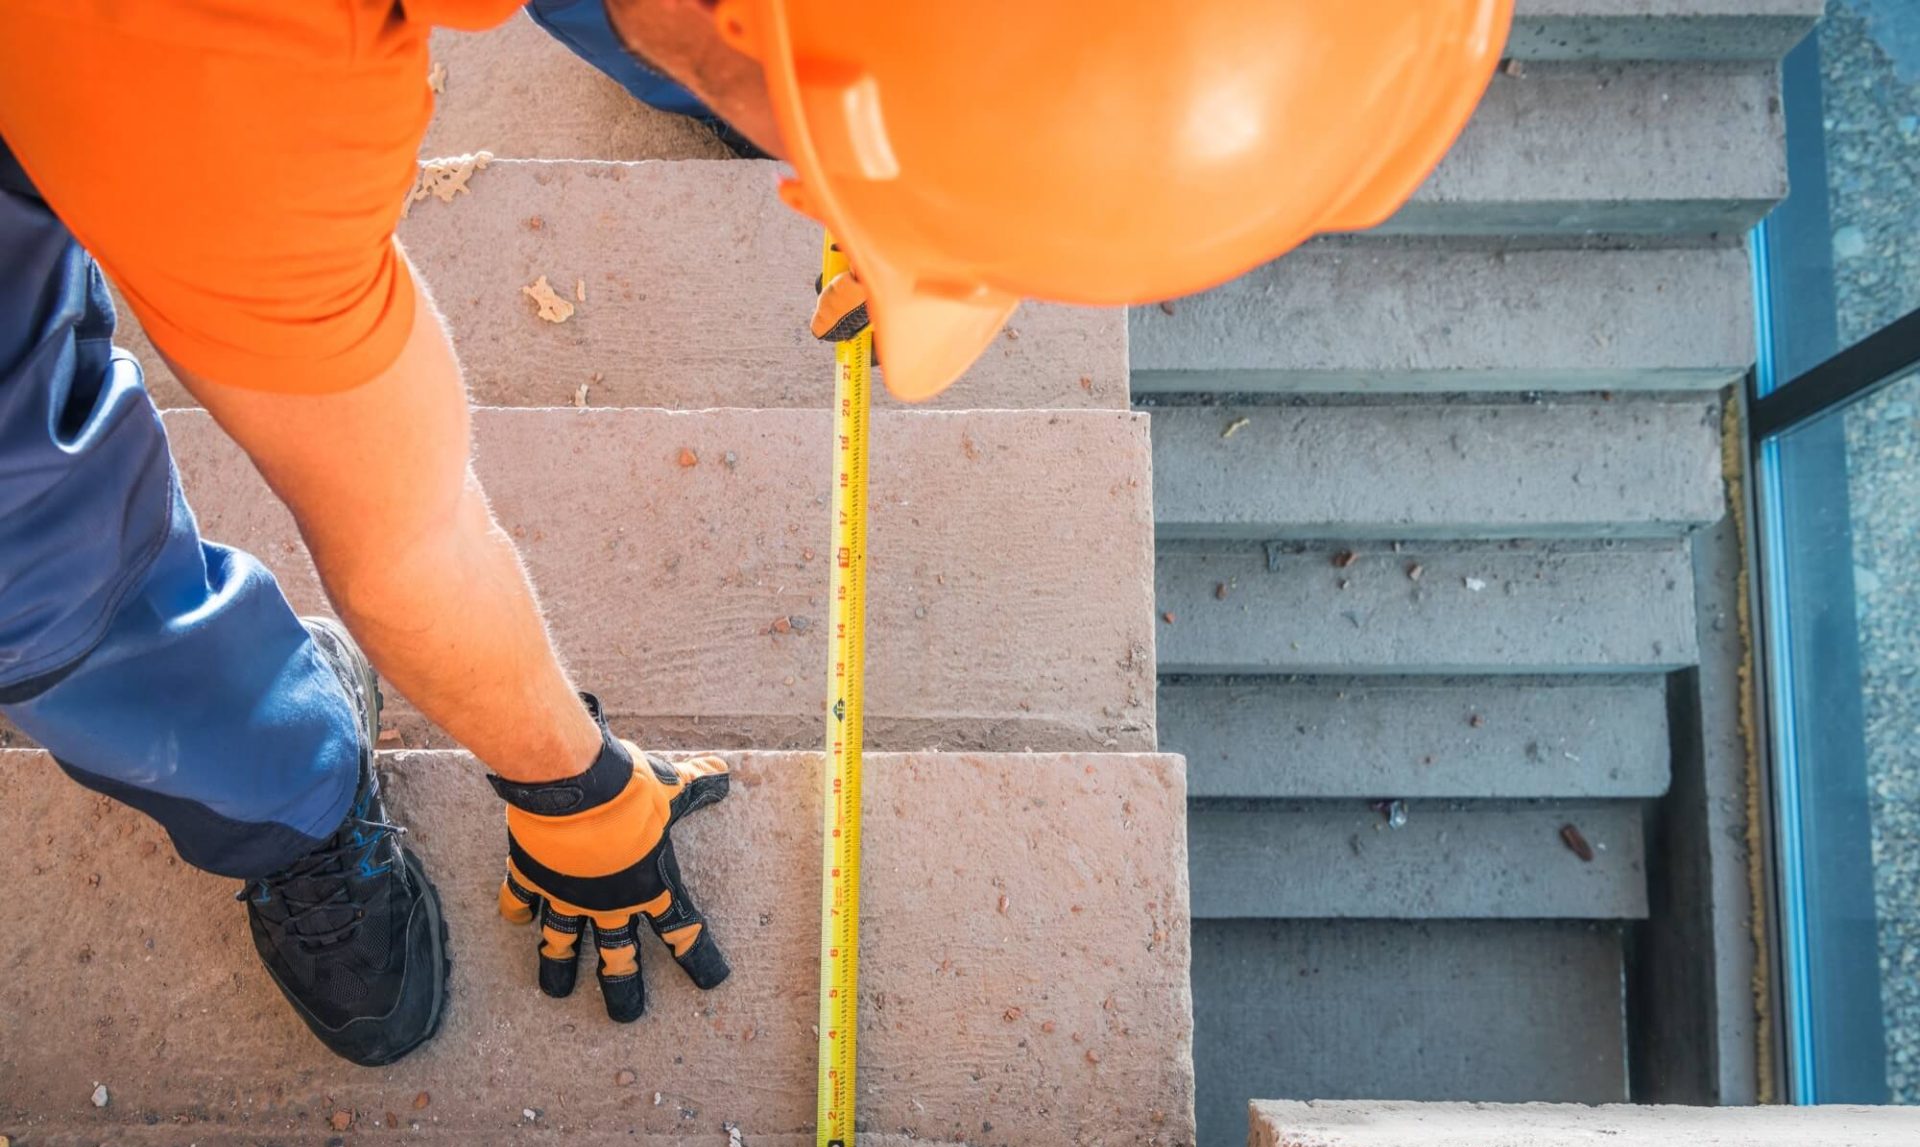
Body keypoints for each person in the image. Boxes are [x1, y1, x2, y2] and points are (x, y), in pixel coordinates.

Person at [0, 0, 1508, 1065]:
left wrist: (890, 126)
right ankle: (286, 781)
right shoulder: (212, 83)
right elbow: (404, 539)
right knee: (36, 582)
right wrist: (567, 786)